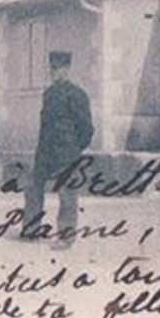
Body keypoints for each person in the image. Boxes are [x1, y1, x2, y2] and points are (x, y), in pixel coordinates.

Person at [21, 50, 94, 248]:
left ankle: (66, 237)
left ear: (67, 69)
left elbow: (86, 127)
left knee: (67, 194)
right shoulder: (49, 94)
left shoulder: (78, 94)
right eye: (52, 68)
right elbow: (45, 126)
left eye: (59, 68)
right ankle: (31, 230)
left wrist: (75, 148)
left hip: (66, 153)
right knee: (33, 188)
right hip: (45, 151)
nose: (54, 72)